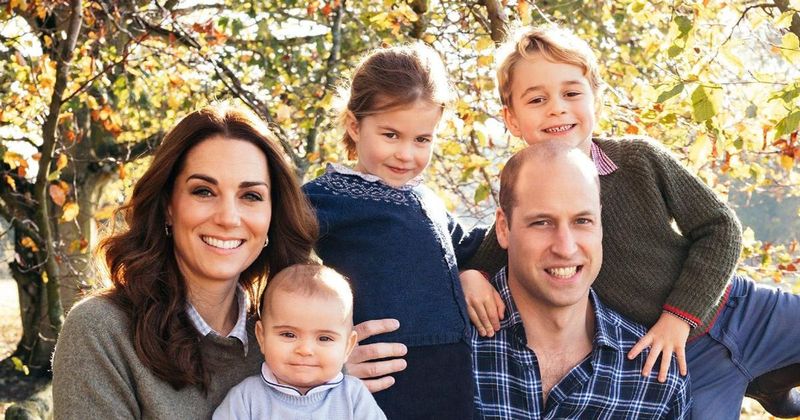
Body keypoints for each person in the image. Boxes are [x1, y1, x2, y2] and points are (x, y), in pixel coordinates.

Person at [461, 25, 800, 418]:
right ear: (512, 119)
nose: (557, 107)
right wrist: (471, 277)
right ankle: (766, 384)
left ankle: (771, 384)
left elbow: (720, 227)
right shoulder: (527, 194)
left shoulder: (638, 160)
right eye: (537, 99)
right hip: (680, 358)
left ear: (595, 102)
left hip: (737, 308)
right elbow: (493, 255)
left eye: (571, 93)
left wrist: (679, 316)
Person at [52, 104, 318, 418]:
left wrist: (334, 380)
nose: (228, 218)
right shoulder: (102, 331)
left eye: (251, 196)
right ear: (168, 206)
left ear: (273, 215)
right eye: (203, 191)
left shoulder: (298, 343)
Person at [302, 43, 485, 419]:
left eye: (422, 139)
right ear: (354, 126)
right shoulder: (330, 196)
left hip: (452, 381)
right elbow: (271, 259)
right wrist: (325, 351)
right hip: (385, 381)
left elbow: (467, 247)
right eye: (391, 135)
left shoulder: (427, 199)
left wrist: (473, 271)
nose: (407, 154)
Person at [473, 141, 691, 418]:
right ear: (504, 228)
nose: (565, 247)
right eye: (542, 222)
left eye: (582, 221)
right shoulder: (446, 346)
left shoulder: (655, 380)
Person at [213, 264, 385, 419]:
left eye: (324, 338)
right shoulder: (246, 399)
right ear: (262, 337)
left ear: (348, 346)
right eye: (289, 334)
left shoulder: (353, 397)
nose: (305, 350)